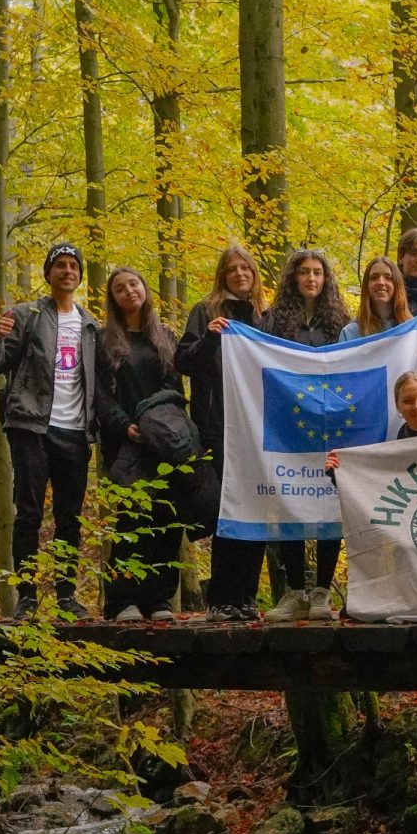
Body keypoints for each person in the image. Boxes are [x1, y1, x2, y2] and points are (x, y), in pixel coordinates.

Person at [0, 242, 99, 616]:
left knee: (70, 517)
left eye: (73, 266)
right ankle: (26, 598)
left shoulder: (91, 325)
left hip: (76, 431)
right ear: (48, 274)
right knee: (28, 512)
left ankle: (66, 596)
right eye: (60, 265)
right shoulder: (25, 315)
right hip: (31, 427)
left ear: (79, 275)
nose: (68, 271)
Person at [96, 267, 194, 621]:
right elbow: (100, 397)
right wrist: (126, 426)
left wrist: (160, 425)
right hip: (126, 443)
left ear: (145, 288)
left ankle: (159, 599)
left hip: (165, 441)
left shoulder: (164, 336)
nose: (129, 291)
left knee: (167, 516)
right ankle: (123, 600)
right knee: (132, 520)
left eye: (134, 284)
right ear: (114, 298)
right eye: (120, 288)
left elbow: (174, 389)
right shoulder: (105, 341)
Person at [180, 244, 268, 621]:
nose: (239, 274)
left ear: (254, 273)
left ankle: (247, 596)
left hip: (261, 429)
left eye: (245, 267)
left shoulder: (266, 316)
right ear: (222, 275)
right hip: (218, 426)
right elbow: (184, 361)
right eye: (231, 269)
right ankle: (222, 597)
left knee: (257, 509)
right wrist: (210, 339)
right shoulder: (205, 311)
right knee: (225, 511)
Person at [264, 249, 353, 621]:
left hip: (331, 424)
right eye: (304, 272)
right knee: (292, 501)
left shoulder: (341, 321)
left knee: (330, 503)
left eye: (318, 272)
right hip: (288, 424)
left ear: (326, 278)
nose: (311, 279)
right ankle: (295, 592)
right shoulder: (274, 319)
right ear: (293, 277)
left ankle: (320, 594)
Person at [341, 255, 417, 380]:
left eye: (388, 278)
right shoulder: (351, 333)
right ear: (367, 286)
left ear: (397, 285)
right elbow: (344, 381)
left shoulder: (415, 331)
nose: (381, 282)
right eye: (374, 277)